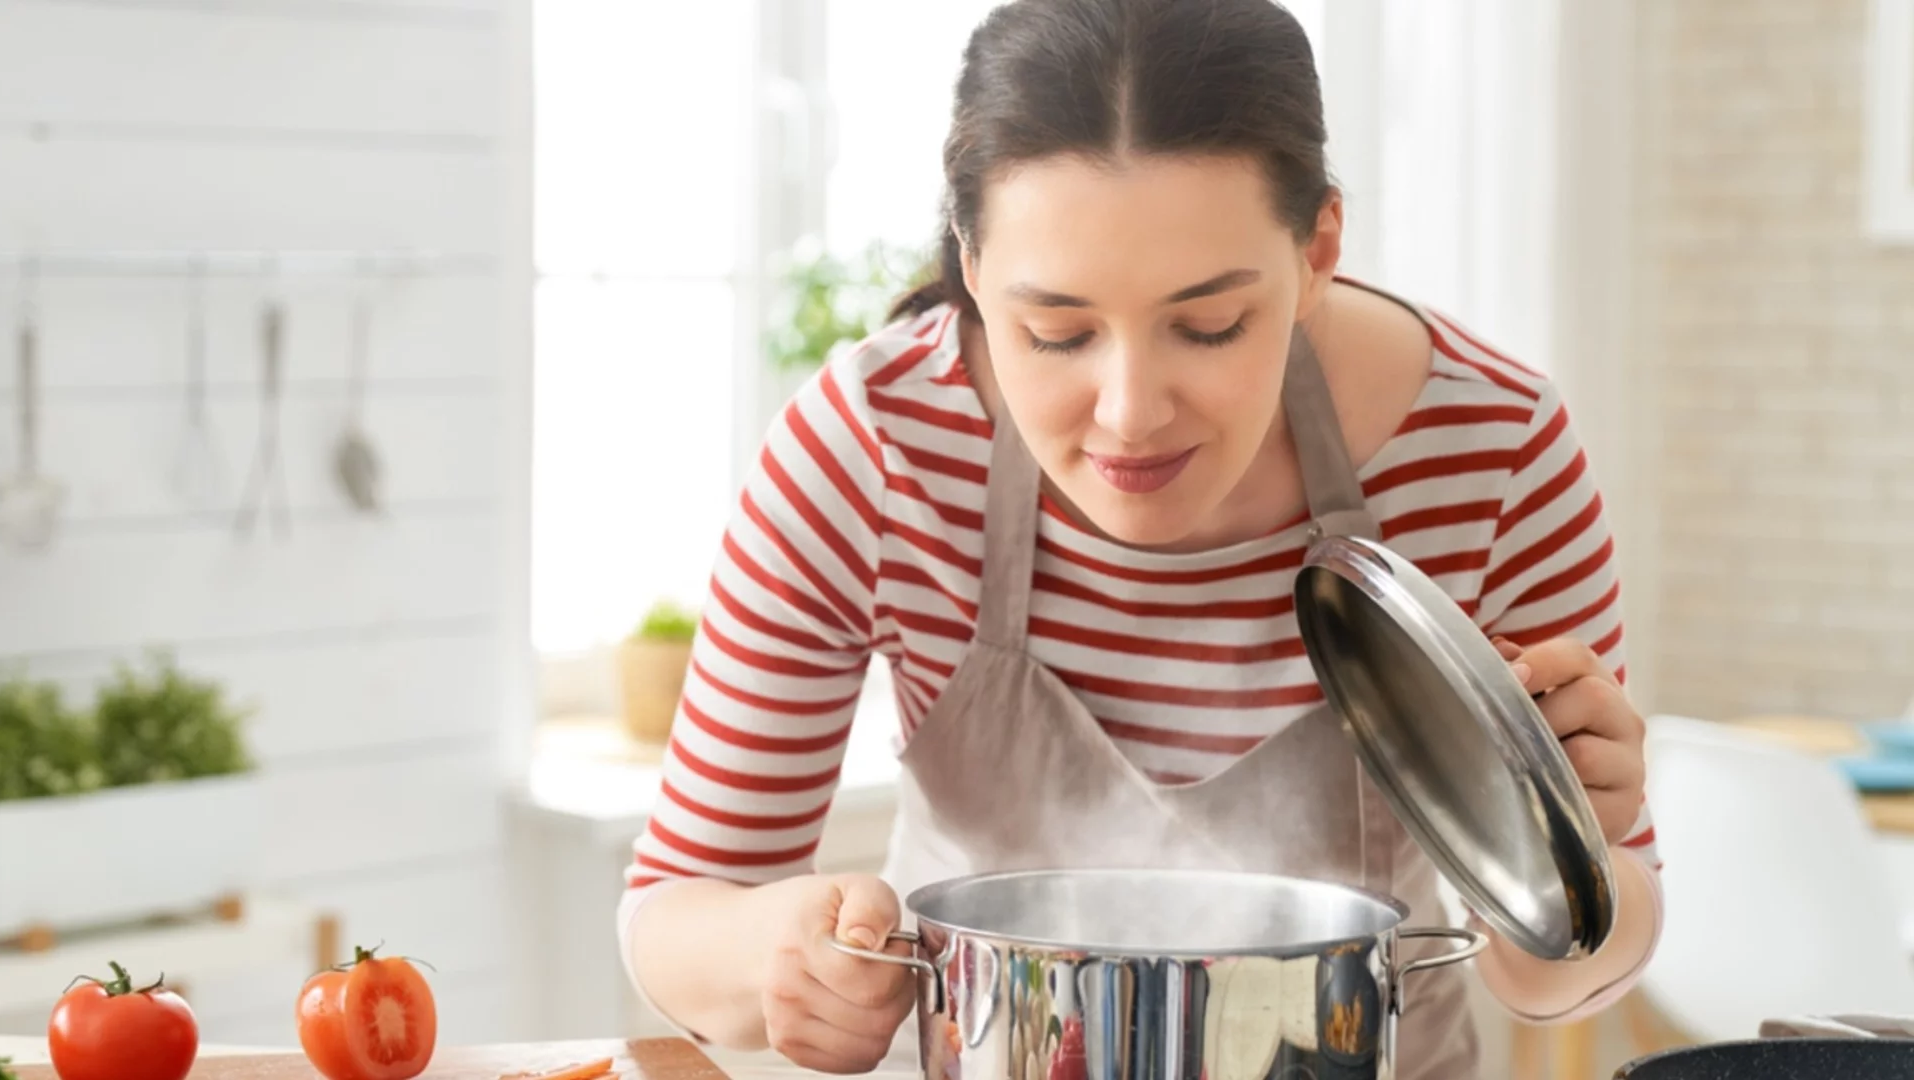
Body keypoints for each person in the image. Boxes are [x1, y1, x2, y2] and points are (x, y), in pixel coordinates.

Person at [617, 1, 1663, 1077]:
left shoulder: (1488, 447)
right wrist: (772, 959)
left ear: (1317, 253)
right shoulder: (874, 449)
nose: (1129, 412)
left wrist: (1566, 856)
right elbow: (676, 911)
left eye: (1209, 325)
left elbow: (1558, 979)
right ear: (972, 266)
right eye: (1056, 331)